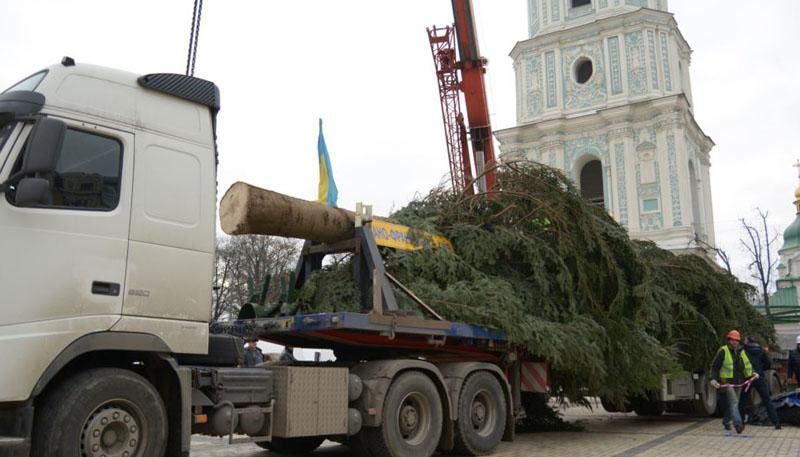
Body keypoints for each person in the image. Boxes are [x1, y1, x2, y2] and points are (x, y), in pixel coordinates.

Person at [710, 329, 757, 434]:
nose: (735, 342)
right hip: (726, 382)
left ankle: (726, 421)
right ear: (729, 340)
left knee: (732, 404)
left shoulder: (741, 351)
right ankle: (738, 424)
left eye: (736, 340)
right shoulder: (723, 351)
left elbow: (747, 365)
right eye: (732, 340)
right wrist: (713, 379)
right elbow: (715, 366)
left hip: (738, 382)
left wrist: (753, 373)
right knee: (734, 402)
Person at [738, 336, 780, 429]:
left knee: (742, 401)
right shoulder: (761, 350)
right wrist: (760, 370)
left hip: (748, 378)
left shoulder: (743, 351)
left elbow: (739, 364)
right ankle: (776, 422)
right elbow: (768, 364)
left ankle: (740, 422)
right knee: (767, 400)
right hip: (759, 377)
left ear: (747, 342)